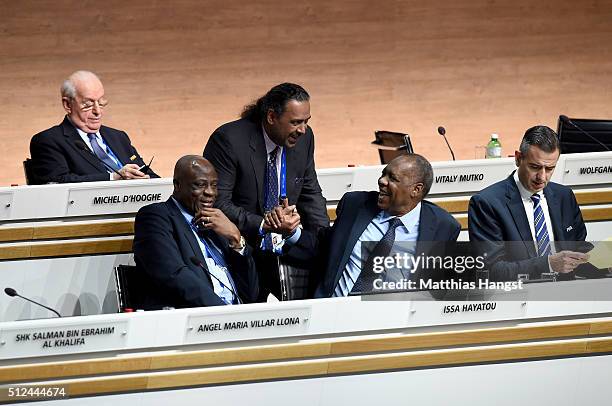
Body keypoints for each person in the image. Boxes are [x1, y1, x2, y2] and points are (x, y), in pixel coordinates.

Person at [203, 83, 329, 299]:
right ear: (271, 117)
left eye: (306, 121)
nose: (303, 130)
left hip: (288, 246)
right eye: (295, 122)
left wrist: (326, 241)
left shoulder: (305, 139)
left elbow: (311, 194)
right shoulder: (229, 140)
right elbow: (217, 203)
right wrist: (264, 224)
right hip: (244, 249)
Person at [279, 154, 461, 298]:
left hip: (391, 324)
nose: (382, 181)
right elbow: (322, 247)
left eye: (393, 178)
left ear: (416, 190)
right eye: (383, 174)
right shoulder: (356, 205)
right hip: (333, 312)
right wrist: (292, 232)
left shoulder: (442, 226)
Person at [468, 125, 597, 281]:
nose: (542, 177)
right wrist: (548, 264)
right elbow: (491, 271)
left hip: (567, 295)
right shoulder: (487, 203)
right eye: (535, 167)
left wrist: (603, 262)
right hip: (519, 298)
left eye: (549, 168)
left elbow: (578, 250)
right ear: (518, 158)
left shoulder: (564, 196)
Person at [132, 155, 258, 309]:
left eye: (214, 185)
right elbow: (174, 276)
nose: (210, 192)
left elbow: (251, 294)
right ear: (177, 185)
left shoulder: (218, 223)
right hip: (191, 320)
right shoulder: (156, 217)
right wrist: (225, 313)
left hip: (235, 319)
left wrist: (236, 239)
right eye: (200, 185)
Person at [29, 70, 158, 184]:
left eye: (101, 102)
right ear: (68, 104)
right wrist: (113, 177)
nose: (98, 111)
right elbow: (59, 181)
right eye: (88, 104)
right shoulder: (48, 141)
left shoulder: (118, 137)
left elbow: (148, 175)